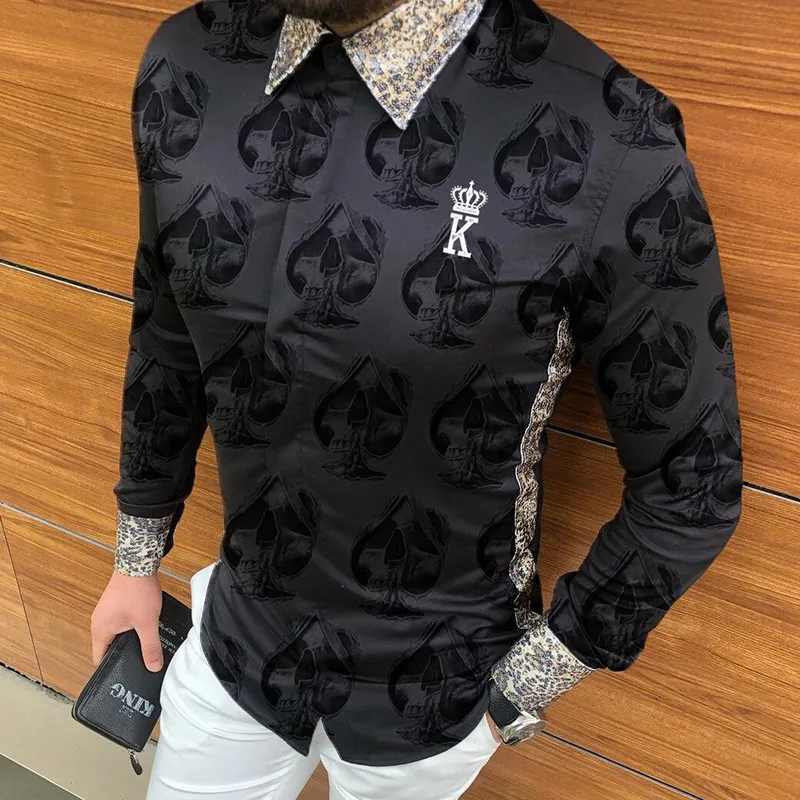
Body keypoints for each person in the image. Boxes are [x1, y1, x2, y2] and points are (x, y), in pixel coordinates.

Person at [90, 0, 744, 797]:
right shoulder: (191, 61)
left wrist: (516, 695)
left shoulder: (608, 133)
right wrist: (135, 559)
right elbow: (164, 333)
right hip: (236, 646)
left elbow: (694, 486)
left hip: (437, 700)